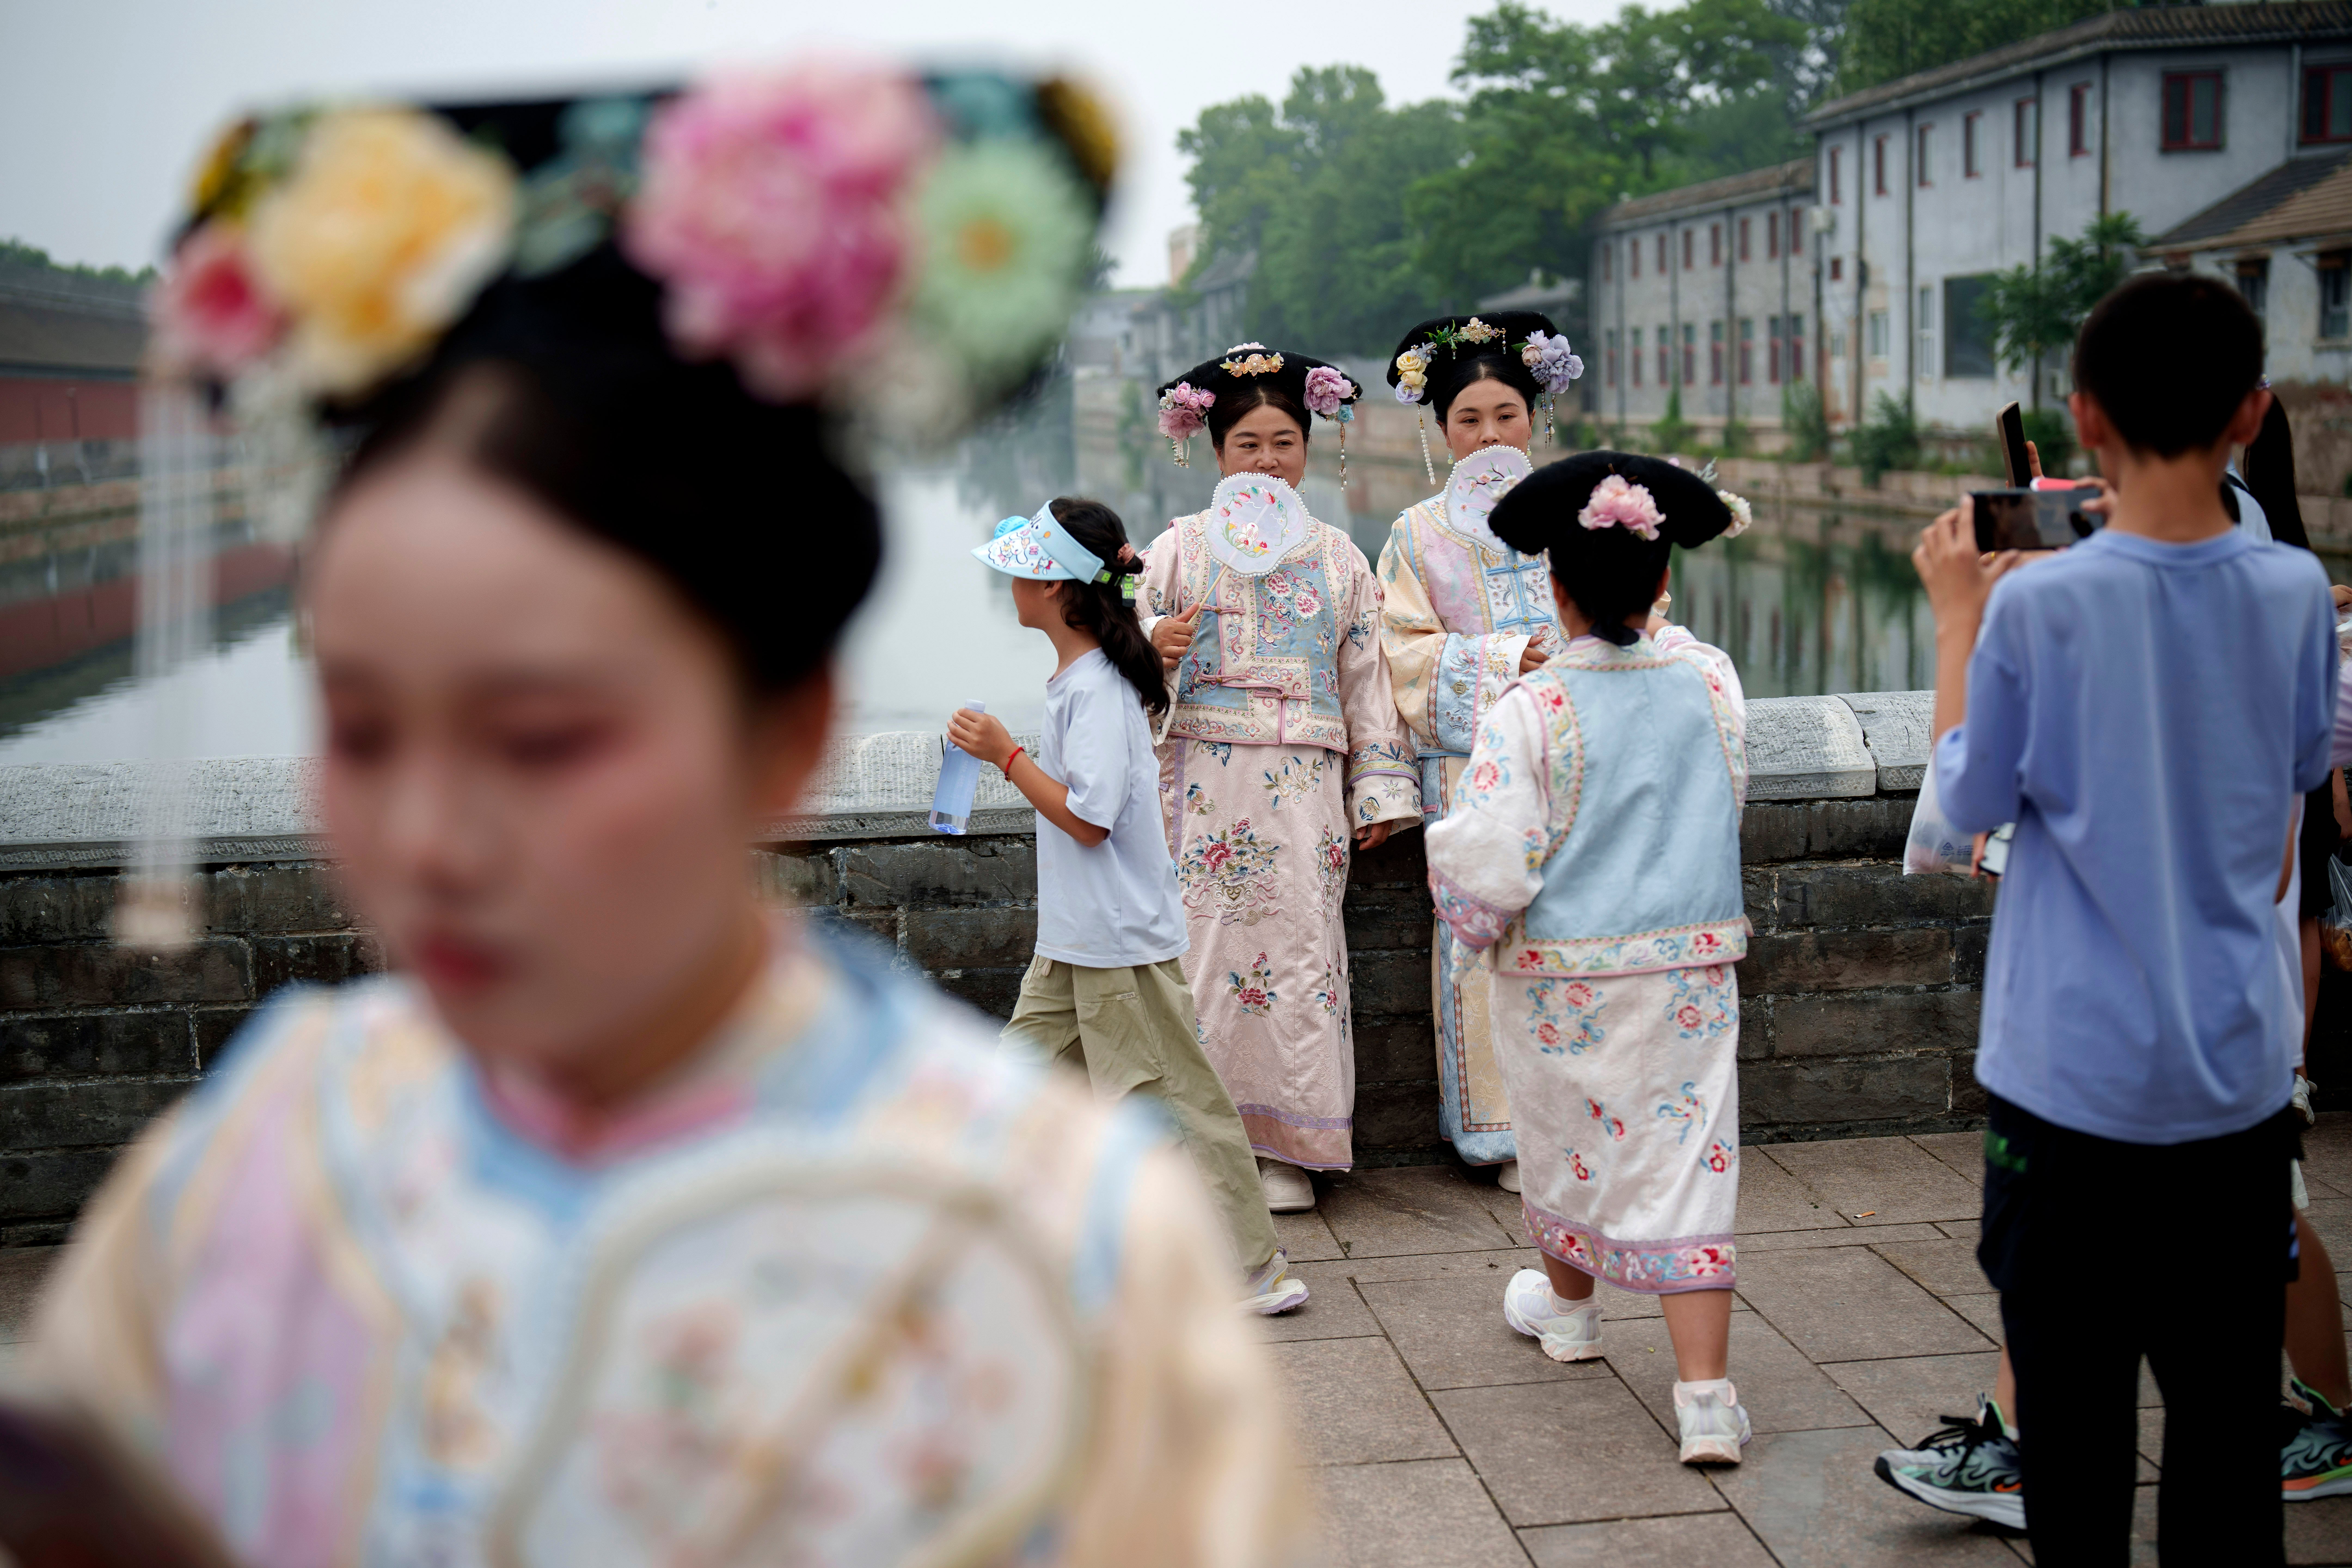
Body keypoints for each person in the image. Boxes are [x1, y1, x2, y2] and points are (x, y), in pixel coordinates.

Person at [21, 74, 1309, 1566]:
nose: (429, 836)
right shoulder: (251, 1169)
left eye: (546, 735)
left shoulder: (1066, 1246)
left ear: (792, 725)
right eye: (362, 725)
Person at [1916, 272, 2335, 1563]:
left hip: (2072, 1091)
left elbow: (1963, 811)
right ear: (2254, 412)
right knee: (2223, 1451)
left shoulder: (2044, 603)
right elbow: (2286, 821)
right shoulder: (2298, 592)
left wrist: (1956, 623)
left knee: (2079, 1456)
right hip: (2235, 1087)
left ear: (2084, 421)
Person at [1422, 451, 1756, 1466]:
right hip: (1688, 968)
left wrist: (1472, 926)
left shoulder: (1533, 709)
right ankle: (1705, 1398)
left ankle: (1571, 1317)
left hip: (1565, 976)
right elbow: (1730, 791)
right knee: (1690, 1156)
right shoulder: (1709, 682)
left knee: (1569, 1136)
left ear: (1553, 590)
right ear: (1664, 583)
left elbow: (1488, 860)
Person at [950, 497, 1310, 1315]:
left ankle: (1253, 1268)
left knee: (1175, 1103)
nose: (1010, 580)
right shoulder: (1087, 679)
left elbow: (1090, 817)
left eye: (1022, 567)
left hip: (1116, 942)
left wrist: (1002, 752)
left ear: (1056, 586)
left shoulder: (1099, 690)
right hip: (1078, 939)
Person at [1139, 347, 1421, 1211]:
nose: (1268, 461)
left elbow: (1369, 678)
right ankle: (1205, 1144)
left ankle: (1289, 1151)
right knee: (1201, 955)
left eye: (1285, 442)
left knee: (1302, 957)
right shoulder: (1178, 550)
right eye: (1248, 444)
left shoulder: (1340, 558)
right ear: (1216, 453)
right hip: (1199, 786)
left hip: (1304, 787)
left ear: (1310, 449)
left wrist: (1377, 788)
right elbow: (1124, 636)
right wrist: (1154, 641)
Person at [1375, 312, 1583, 1194]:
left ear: (1534, 416)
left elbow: (1642, 616)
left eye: (1505, 414)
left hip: (1578, 763)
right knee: (1481, 948)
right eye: (1469, 420)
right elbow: (1402, 653)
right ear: (1440, 430)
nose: (1489, 435)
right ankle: (1502, 1134)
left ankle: (1584, 1124)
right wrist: (1506, 658)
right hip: (1470, 777)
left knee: (1580, 935)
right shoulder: (1417, 535)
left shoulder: (1589, 511)